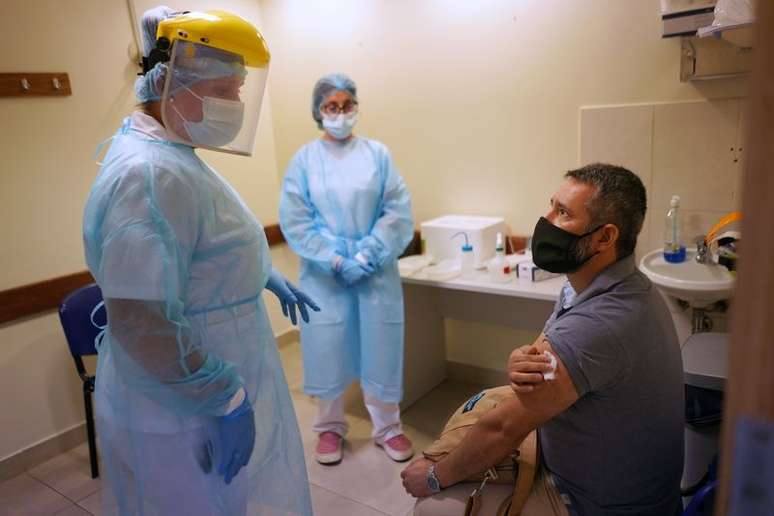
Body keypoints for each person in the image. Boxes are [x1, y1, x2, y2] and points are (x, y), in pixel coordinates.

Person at [82, 7, 316, 515]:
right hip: (181, 409)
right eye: (226, 91)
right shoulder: (147, 175)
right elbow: (141, 322)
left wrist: (258, 273)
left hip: (197, 393)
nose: (236, 104)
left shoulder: (173, 156)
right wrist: (222, 398)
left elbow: (195, 251)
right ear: (173, 84)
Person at [402, 164, 684, 516]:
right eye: (552, 204)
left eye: (563, 213)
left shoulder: (600, 324)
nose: (546, 219)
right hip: (606, 466)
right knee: (483, 409)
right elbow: (540, 352)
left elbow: (503, 428)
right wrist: (521, 357)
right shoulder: (602, 285)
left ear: (605, 238)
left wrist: (432, 477)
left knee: (432, 507)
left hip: (600, 505)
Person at [279, 73, 415, 465]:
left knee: (382, 347)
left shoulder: (378, 155)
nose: (340, 114)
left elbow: (397, 209)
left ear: (357, 107)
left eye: (346, 105)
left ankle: (388, 428)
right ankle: (329, 428)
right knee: (326, 347)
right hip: (325, 278)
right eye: (331, 107)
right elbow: (296, 218)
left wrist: (367, 254)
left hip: (375, 273)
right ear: (318, 112)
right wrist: (333, 258)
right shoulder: (304, 161)